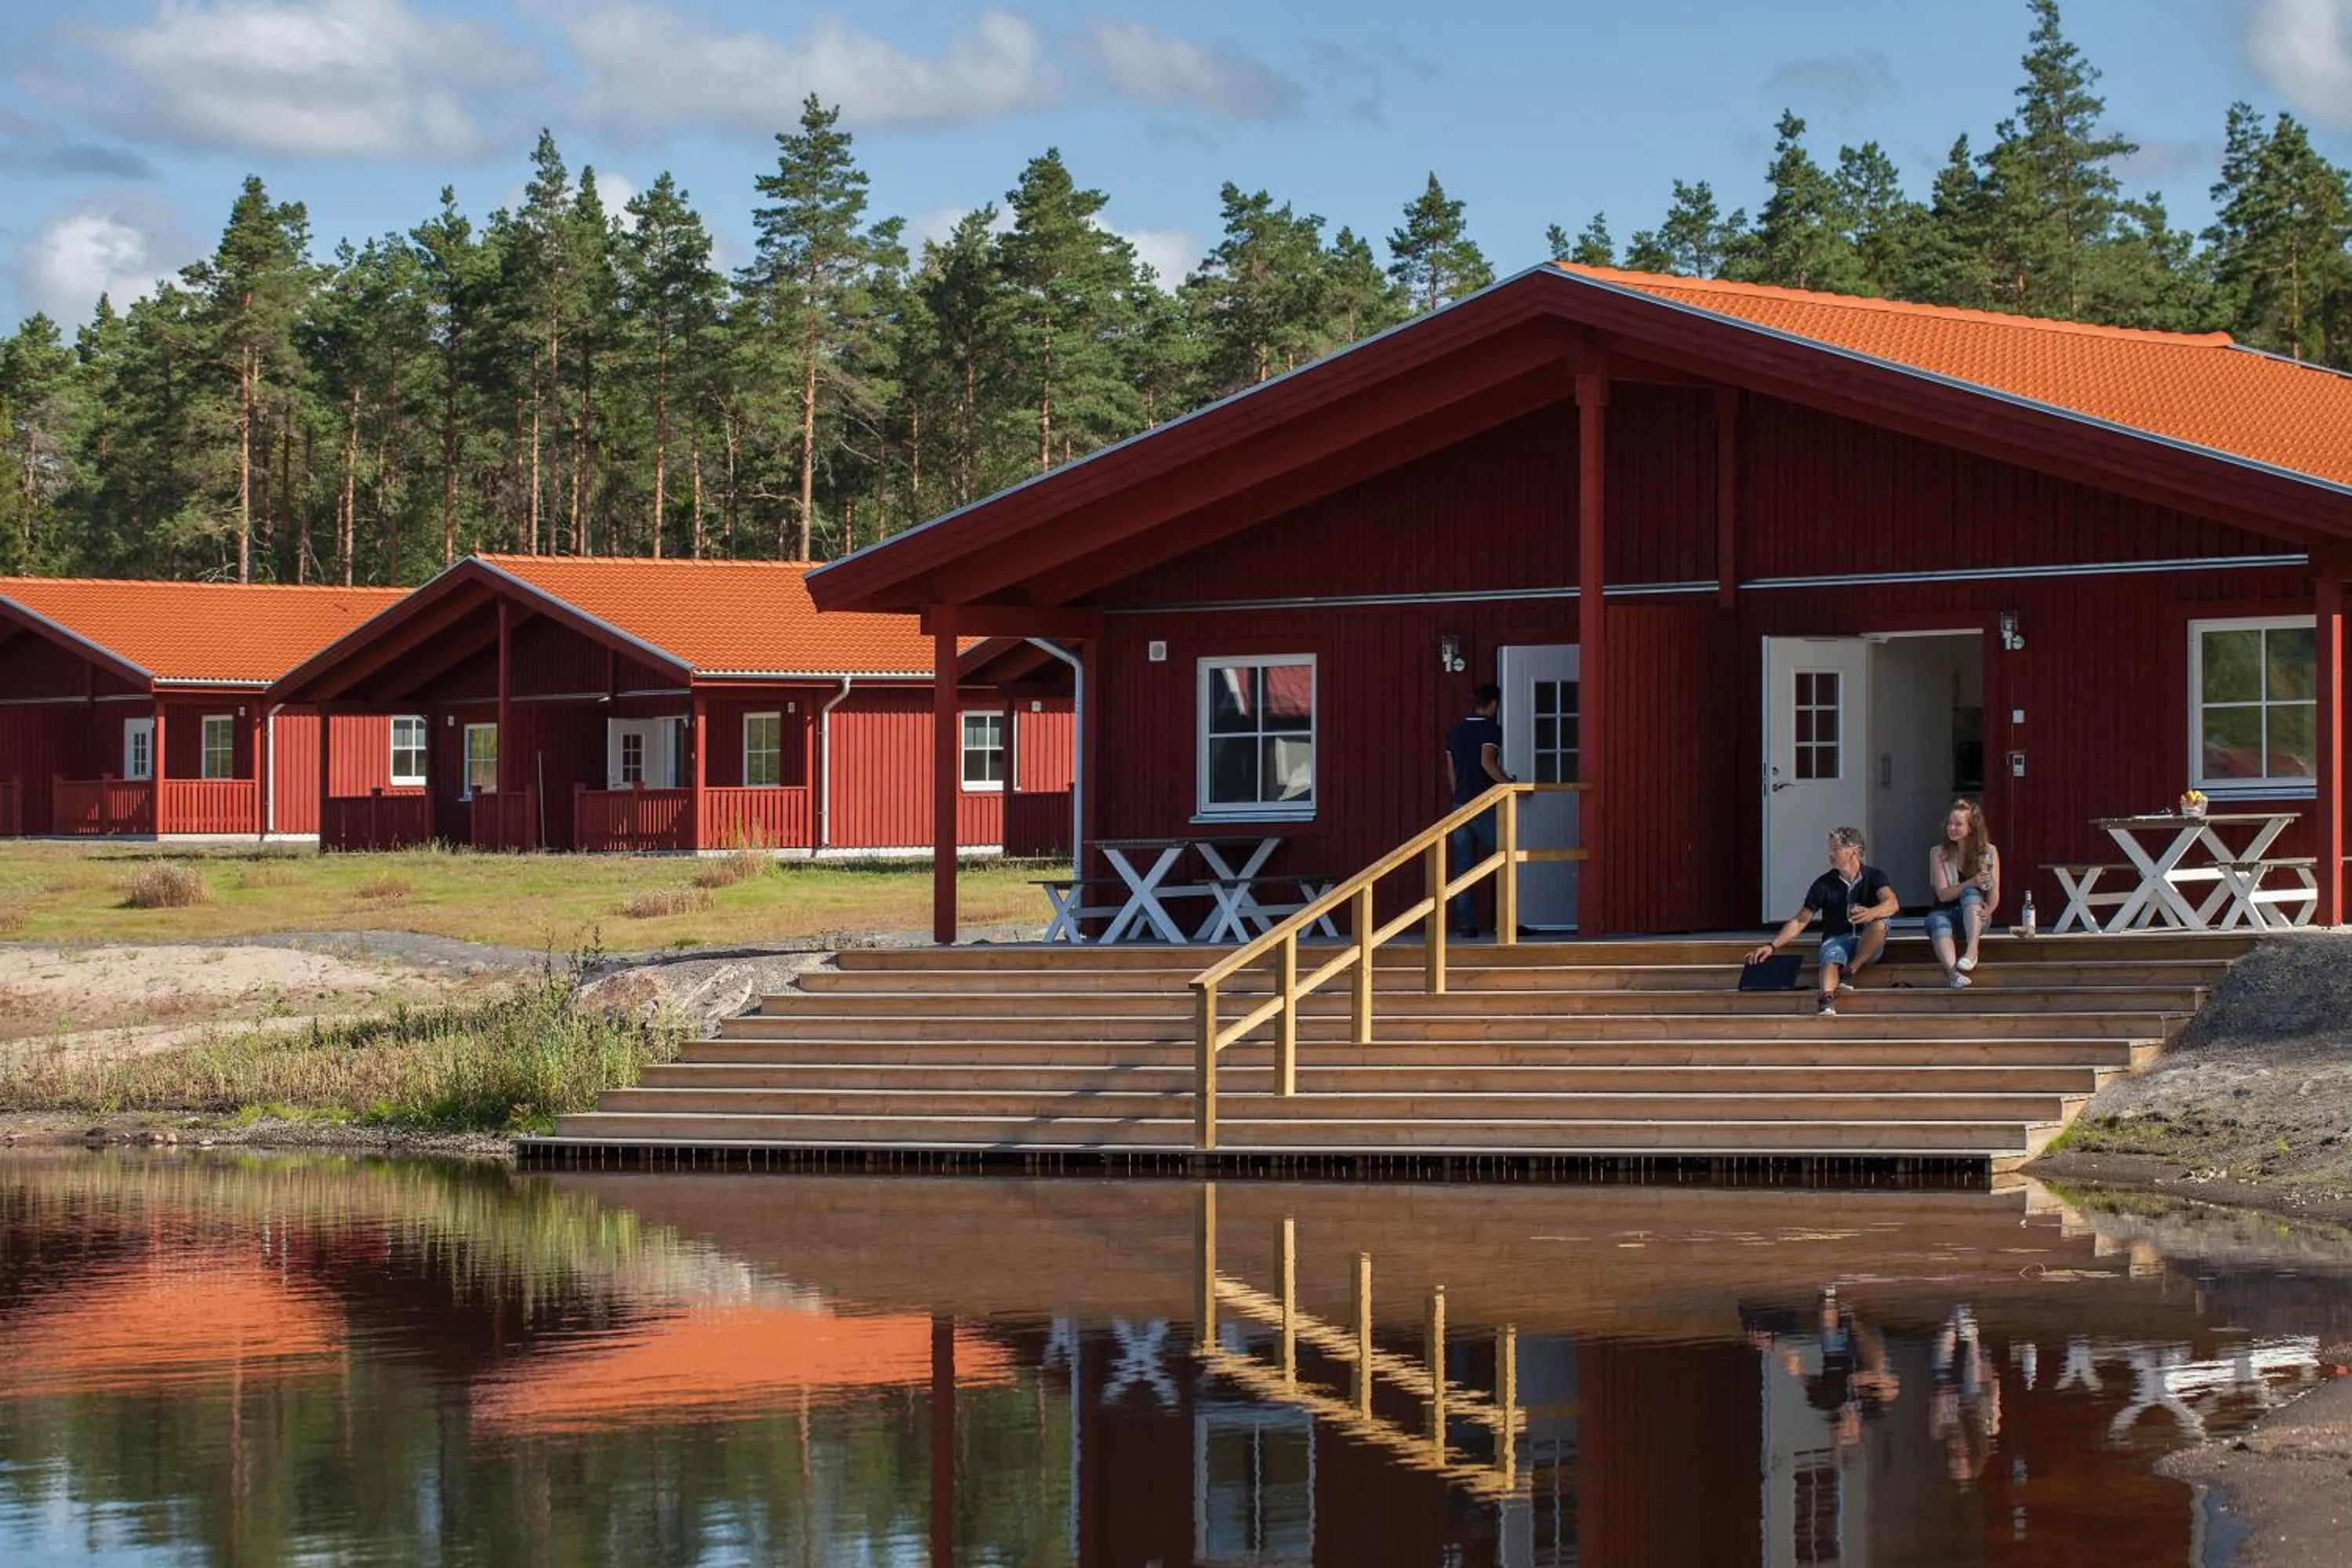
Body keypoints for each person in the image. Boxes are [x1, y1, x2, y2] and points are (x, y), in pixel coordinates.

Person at [1745, 826, 1899, 1017]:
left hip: (1866, 942)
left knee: (1881, 923)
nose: (1830, 854)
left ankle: (1850, 971)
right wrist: (1772, 946)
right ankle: (1826, 999)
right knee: (1831, 953)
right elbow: (1801, 920)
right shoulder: (1823, 884)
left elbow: (1892, 903)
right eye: (1831, 849)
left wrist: (1871, 912)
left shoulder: (1874, 876)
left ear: (1853, 851)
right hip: (1838, 937)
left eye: (1836, 849)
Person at [1443, 682, 1514, 938]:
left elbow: (1451, 769)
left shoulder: (1456, 731)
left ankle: (1466, 925)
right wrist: (1510, 786)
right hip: (1483, 804)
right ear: (1494, 704)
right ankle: (1510, 922)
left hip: (1460, 805)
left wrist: (1457, 795)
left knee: (1463, 867)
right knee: (1507, 858)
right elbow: (1487, 763)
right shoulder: (1490, 730)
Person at [1926, 798, 1999, 989]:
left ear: (1972, 828)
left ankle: (1972, 951)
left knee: (1971, 895)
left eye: (1958, 824)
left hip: (1974, 916)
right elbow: (1943, 895)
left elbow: (1993, 892)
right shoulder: (1938, 853)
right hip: (1945, 911)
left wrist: (1989, 909)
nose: (1952, 828)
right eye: (1950, 823)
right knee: (1937, 920)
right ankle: (1953, 975)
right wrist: (1971, 882)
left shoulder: (1989, 852)